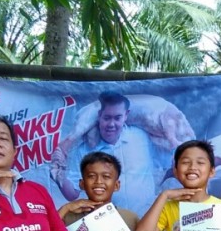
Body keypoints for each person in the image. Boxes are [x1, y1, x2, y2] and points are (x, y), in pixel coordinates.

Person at [55, 91, 183, 216]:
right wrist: (58, 173)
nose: (111, 124)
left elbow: (167, 167)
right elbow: (72, 194)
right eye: (107, 118)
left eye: (117, 118)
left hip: (145, 222)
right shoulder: (84, 149)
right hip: (106, 225)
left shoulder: (142, 137)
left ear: (126, 115)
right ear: (99, 115)